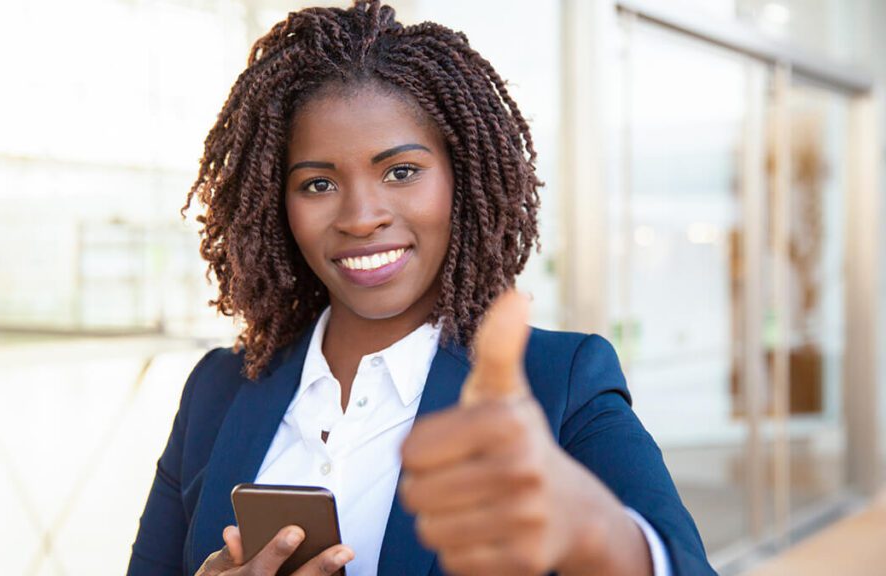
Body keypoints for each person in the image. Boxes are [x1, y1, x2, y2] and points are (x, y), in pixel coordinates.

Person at [127, 2, 715, 575]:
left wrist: (594, 530)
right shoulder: (217, 390)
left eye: (401, 172)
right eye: (317, 183)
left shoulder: (560, 382)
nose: (361, 216)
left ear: (462, 178)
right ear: (276, 205)